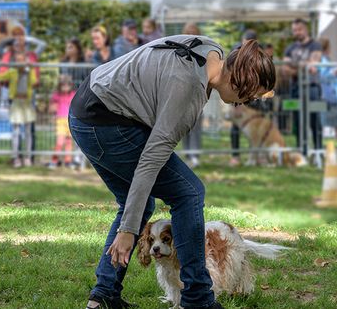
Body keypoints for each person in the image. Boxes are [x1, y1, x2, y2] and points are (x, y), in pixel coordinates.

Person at [70, 35, 275, 309]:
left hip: (87, 108)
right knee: (189, 193)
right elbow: (151, 159)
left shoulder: (210, 49)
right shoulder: (188, 91)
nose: (248, 101)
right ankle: (198, 299)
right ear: (241, 79)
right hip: (105, 124)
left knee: (139, 204)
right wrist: (129, 229)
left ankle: (104, 295)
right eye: (251, 94)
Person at [283, 19, 323, 160]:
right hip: (295, 88)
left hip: (312, 87)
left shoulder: (315, 45)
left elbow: (313, 65)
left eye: (299, 29)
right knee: (298, 121)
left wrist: (295, 65)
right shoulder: (290, 47)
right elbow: (285, 69)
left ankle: (318, 152)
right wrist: (303, 67)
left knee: (315, 120)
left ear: (306, 29)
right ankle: (302, 151)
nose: (296, 32)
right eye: (294, 30)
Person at [0, 50, 38, 167]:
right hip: (16, 102)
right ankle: (16, 158)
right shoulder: (12, 72)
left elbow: (34, 82)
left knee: (28, 131)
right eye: (18, 60)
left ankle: (28, 157)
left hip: (27, 103)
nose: (20, 63)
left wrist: (31, 69)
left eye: (22, 60)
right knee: (16, 131)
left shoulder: (29, 72)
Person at [230, 29, 258, 166]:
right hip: (238, 94)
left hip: (254, 95)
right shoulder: (235, 53)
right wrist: (237, 102)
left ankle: (255, 156)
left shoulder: (259, 54)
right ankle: (235, 156)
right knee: (235, 126)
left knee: (255, 126)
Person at [181, 23, 204, 168]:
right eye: (188, 32)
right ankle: (188, 154)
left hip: (197, 93)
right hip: (181, 92)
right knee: (183, 127)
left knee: (195, 125)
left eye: (193, 32)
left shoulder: (202, 50)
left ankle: (195, 155)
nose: (190, 35)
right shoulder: (179, 49)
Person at [318, 38, 337, 154]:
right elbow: (324, 77)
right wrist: (336, 71)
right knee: (335, 124)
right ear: (326, 48)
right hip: (327, 97)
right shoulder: (323, 60)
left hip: (331, 97)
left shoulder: (325, 59)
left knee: (336, 124)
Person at [49, 74, 76, 168]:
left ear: (70, 85)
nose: (65, 87)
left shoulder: (73, 94)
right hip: (60, 120)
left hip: (70, 120)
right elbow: (52, 108)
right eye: (63, 85)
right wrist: (52, 112)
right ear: (60, 85)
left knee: (69, 142)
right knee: (60, 142)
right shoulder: (57, 95)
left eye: (67, 85)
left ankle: (68, 161)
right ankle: (54, 160)